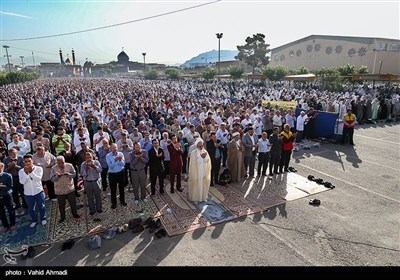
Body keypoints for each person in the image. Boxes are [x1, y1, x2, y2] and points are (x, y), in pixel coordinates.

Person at [19, 154, 47, 228]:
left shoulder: (39, 168)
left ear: (32, 161)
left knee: (41, 205)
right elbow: (22, 182)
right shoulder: (21, 171)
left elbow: (38, 179)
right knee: (31, 208)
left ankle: (43, 218)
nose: (28, 163)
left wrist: (31, 172)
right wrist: (26, 173)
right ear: (23, 162)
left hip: (38, 191)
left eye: (29, 161)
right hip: (28, 193)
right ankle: (34, 220)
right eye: (26, 161)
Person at [50, 156, 80, 223]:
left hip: (69, 188)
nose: (61, 164)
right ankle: (62, 217)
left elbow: (74, 175)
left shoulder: (70, 165)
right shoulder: (53, 168)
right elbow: (52, 179)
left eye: (62, 162)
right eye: (59, 163)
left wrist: (68, 174)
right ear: (57, 163)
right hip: (59, 189)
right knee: (61, 204)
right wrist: (57, 176)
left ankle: (75, 213)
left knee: (73, 202)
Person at [188, 138, 211, 203]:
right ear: (197, 145)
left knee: (203, 184)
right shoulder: (193, 153)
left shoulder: (205, 151)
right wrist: (201, 158)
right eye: (199, 146)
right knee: (196, 184)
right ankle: (196, 198)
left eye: (202, 146)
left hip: (203, 170)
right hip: (197, 171)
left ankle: (203, 197)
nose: (201, 147)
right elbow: (193, 163)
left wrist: (204, 158)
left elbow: (208, 161)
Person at [106, 143, 126, 209]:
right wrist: (115, 160)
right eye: (113, 148)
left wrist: (120, 160)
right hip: (112, 174)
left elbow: (123, 164)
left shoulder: (121, 154)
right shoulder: (108, 156)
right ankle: (114, 203)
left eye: (115, 147)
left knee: (121, 188)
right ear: (110, 148)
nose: (114, 149)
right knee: (113, 189)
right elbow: (110, 166)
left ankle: (122, 200)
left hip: (120, 173)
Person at [0, 162, 16, 233]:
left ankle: (12, 224)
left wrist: (3, 187)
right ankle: (5, 226)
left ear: (2, 168)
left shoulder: (7, 175)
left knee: (11, 210)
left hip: (7, 196)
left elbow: (10, 186)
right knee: (1, 213)